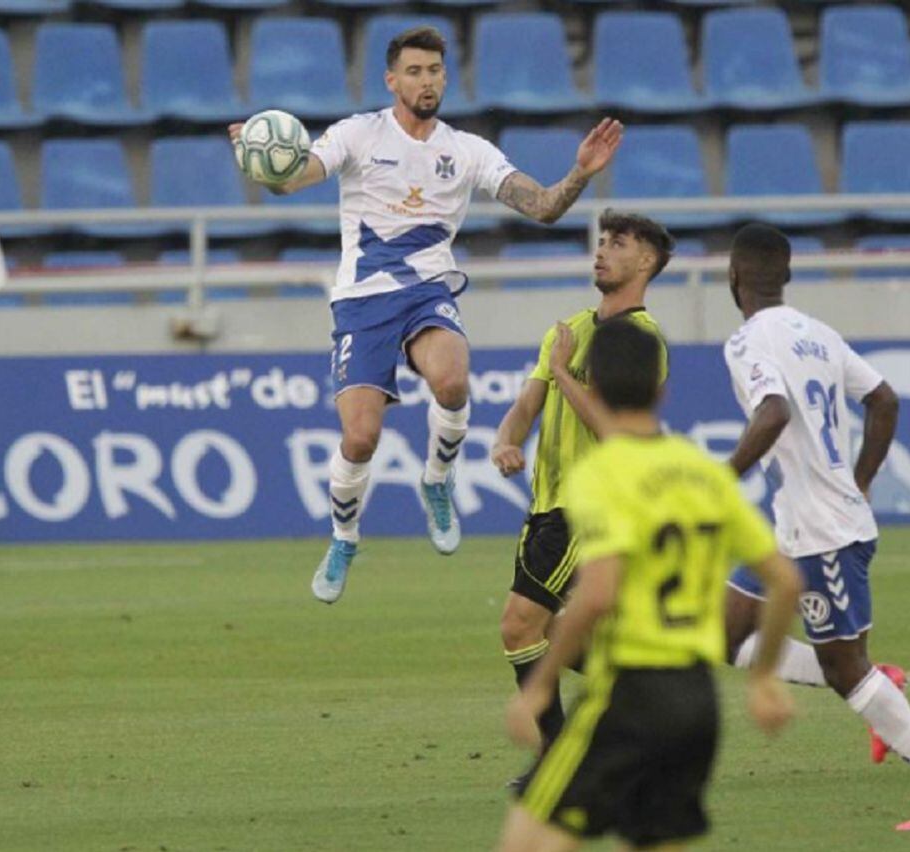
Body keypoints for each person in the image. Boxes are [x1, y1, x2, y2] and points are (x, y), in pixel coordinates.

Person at [229, 25, 623, 604]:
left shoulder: (467, 151)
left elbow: (540, 206)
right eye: (414, 72)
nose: (427, 81)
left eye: (435, 71)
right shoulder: (358, 134)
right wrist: (262, 160)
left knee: (452, 379)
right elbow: (295, 180)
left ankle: (437, 479)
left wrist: (581, 174)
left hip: (426, 290)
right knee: (360, 439)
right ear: (392, 81)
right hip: (362, 301)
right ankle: (344, 538)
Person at [498, 319, 801, 852]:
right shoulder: (701, 472)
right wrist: (763, 680)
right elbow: (785, 581)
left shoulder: (601, 474)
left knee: (528, 842)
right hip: (697, 703)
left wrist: (541, 684)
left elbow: (596, 594)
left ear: (596, 388)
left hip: (627, 694)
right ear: (661, 389)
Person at [721, 223, 910, 831]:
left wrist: (721, 476)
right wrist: (860, 478)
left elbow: (773, 413)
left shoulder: (744, 344)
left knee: (843, 670)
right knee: (726, 633)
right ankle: (878, 682)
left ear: (734, 278)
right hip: (797, 521)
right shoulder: (819, 334)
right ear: (785, 277)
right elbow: (885, 400)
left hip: (824, 532)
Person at [491, 211, 671, 772]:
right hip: (547, 505)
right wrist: (506, 440)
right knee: (552, 631)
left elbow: (620, 432)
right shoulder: (566, 329)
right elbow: (526, 405)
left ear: (645, 262)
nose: (601, 251)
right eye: (600, 241)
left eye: (617, 243)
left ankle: (559, 759)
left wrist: (568, 374)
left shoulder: (643, 342)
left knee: (519, 624)